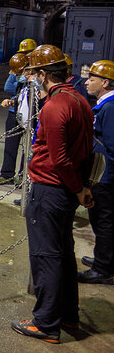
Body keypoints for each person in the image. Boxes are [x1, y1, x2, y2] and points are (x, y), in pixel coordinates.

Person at [11, 44, 94, 344]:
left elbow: (60, 159)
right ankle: (68, 315)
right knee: (64, 256)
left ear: (44, 74)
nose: (32, 78)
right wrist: (80, 188)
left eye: (34, 73)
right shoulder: (78, 100)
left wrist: (77, 188)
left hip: (51, 190)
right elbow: (84, 150)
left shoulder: (55, 106)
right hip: (66, 192)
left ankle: (45, 323)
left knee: (45, 256)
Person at [78, 60, 114, 285]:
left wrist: (98, 179)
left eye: (92, 79)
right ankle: (103, 259)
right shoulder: (104, 105)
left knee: (104, 222)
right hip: (103, 175)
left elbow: (110, 147)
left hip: (105, 177)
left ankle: (103, 269)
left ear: (106, 82)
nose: (87, 82)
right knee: (101, 222)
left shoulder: (110, 108)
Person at [0, 52, 29, 185]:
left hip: (30, 118)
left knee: (28, 148)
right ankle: (7, 174)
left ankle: (24, 177)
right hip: (15, 113)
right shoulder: (20, 77)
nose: (17, 75)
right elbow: (9, 87)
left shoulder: (35, 82)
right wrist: (12, 101)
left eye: (19, 72)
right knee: (10, 145)